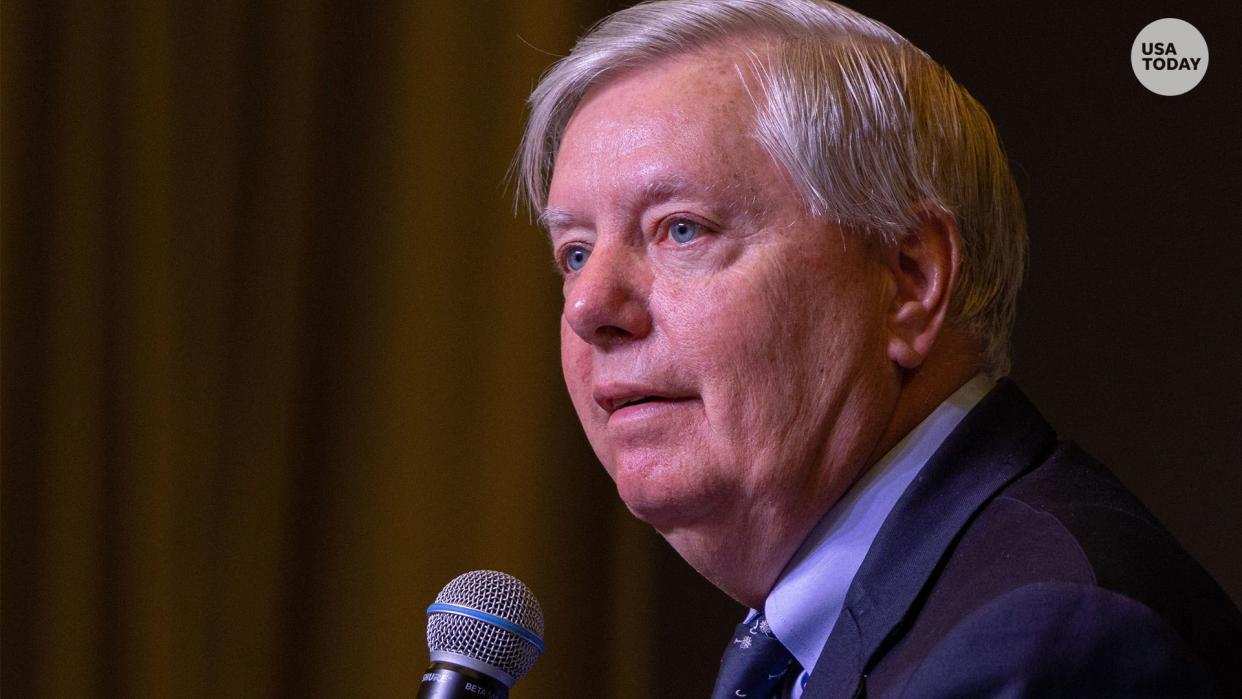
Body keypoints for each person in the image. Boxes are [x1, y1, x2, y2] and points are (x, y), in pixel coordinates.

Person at [515, 0, 1242, 696]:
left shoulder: (1044, 640)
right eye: (574, 253)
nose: (588, 308)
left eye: (681, 230)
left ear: (910, 281)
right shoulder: (835, 636)